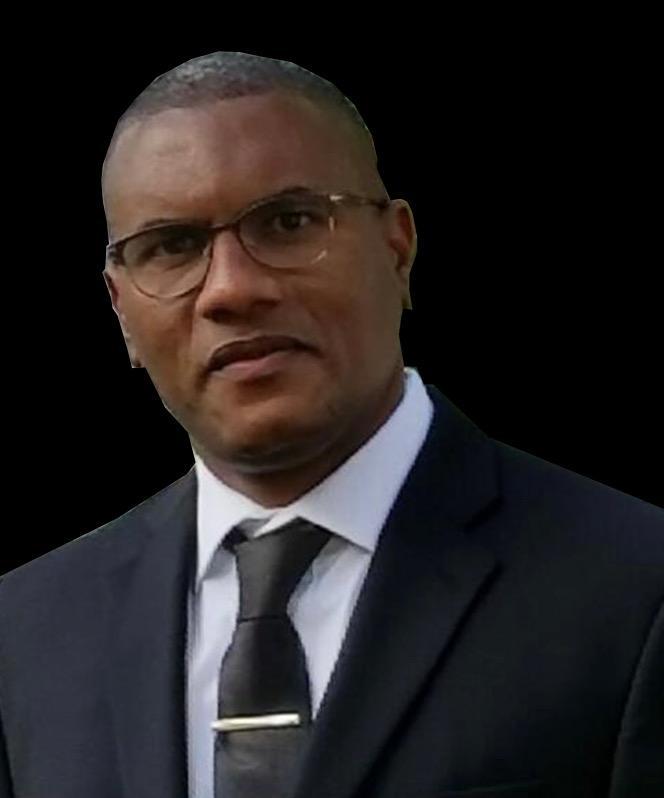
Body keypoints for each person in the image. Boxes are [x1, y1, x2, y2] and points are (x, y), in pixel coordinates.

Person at [0, 51, 662, 798]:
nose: (231, 289)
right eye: (173, 247)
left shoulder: (636, 591)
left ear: (398, 249)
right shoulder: (24, 635)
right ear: (121, 310)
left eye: (288, 222)